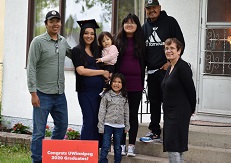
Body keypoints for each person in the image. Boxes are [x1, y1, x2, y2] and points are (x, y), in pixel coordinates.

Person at [27, 10, 71, 163]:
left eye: (57, 21)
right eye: (51, 21)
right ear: (46, 24)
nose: (55, 24)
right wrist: (33, 93)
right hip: (42, 94)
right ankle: (37, 160)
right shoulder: (38, 42)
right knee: (39, 132)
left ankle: (51, 156)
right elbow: (31, 67)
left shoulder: (63, 41)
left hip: (60, 94)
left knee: (62, 126)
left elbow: (77, 56)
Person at [140, 0, 185, 143]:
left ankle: (171, 132)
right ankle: (154, 132)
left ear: (159, 8)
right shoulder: (144, 27)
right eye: (148, 8)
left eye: (154, 7)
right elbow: (142, 50)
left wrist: (169, 64)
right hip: (152, 73)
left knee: (169, 102)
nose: (151, 10)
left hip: (167, 71)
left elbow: (180, 44)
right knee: (154, 102)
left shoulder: (170, 22)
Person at [71, 19, 110, 145]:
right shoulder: (76, 50)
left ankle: (97, 150)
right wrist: (101, 72)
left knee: (99, 121)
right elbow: (81, 71)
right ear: (82, 34)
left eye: (92, 33)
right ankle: (85, 150)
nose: (89, 36)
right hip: (85, 92)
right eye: (86, 33)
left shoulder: (98, 50)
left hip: (100, 93)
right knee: (89, 120)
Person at [114, 13, 145, 156]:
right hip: (120, 84)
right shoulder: (117, 40)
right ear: (123, 25)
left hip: (136, 83)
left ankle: (131, 145)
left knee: (133, 114)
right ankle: (120, 144)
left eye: (132, 22)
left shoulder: (141, 41)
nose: (129, 24)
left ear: (137, 25)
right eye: (127, 22)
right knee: (120, 114)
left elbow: (145, 61)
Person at [161, 38, 196, 162]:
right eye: (166, 48)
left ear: (179, 51)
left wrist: (192, 109)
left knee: (173, 145)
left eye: (172, 48)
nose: (168, 51)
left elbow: (191, 90)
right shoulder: (171, 67)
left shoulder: (183, 67)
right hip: (170, 112)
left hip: (179, 112)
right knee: (176, 146)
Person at [98, 73, 130, 163]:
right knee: (105, 145)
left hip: (119, 126)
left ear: (122, 84)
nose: (116, 84)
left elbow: (126, 112)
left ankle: (117, 161)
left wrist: (127, 125)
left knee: (117, 146)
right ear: (111, 82)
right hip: (107, 125)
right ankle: (103, 161)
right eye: (114, 81)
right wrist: (101, 125)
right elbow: (102, 110)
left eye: (119, 82)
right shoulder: (106, 95)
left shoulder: (124, 96)